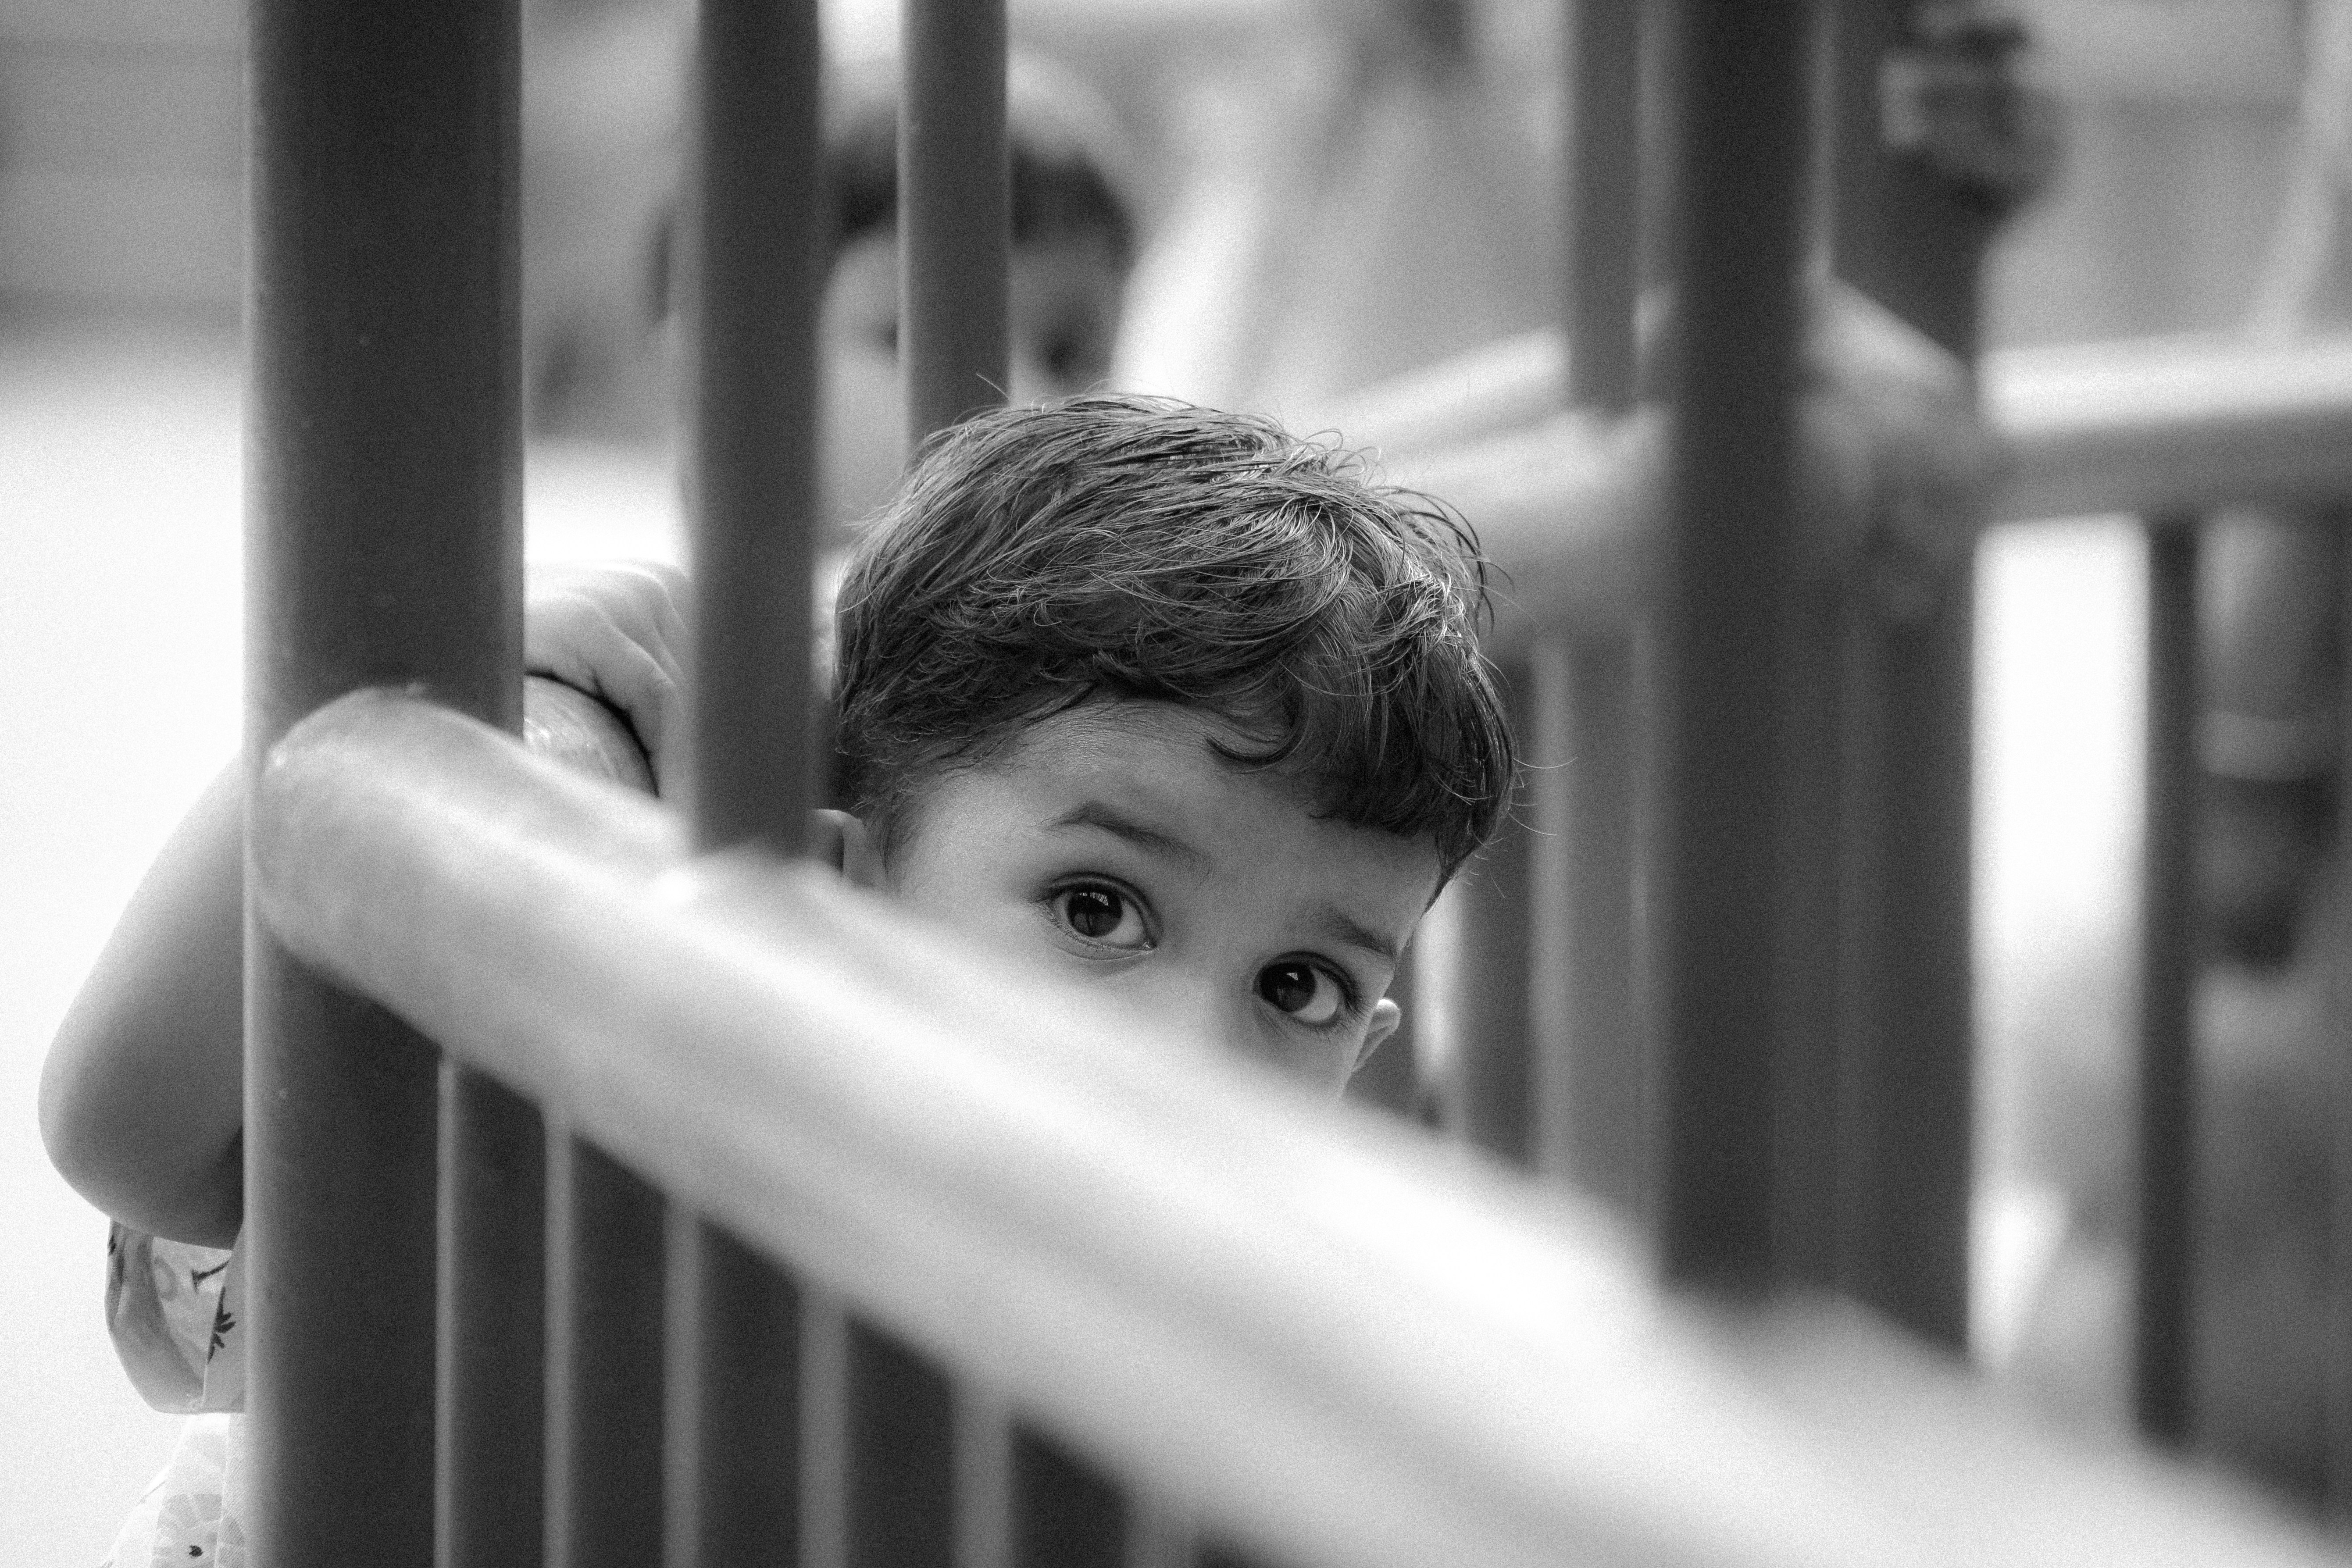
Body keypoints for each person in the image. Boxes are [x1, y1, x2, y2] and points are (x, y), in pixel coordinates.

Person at [43, 393, 1516, 1563]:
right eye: (1096, 908)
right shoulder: (620, 1144)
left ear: (1370, 1039)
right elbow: (132, 1135)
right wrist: (418, 685)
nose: (1190, 1046)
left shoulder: (1229, 1368)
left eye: (1299, 990)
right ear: (840, 889)